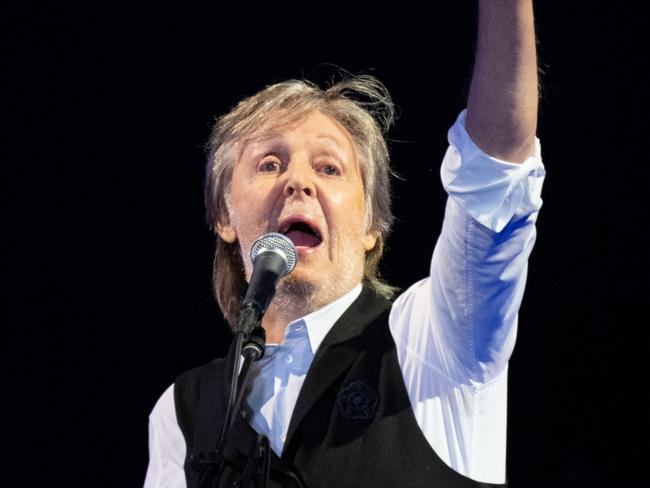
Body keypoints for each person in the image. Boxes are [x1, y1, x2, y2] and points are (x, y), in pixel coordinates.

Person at [144, 1, 546, 486]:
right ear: (225, 216)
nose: (298, 182)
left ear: (372, 224)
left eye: (329, 168)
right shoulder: (183, 411)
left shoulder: (434, 338)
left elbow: (495, 177)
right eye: (270, 164)